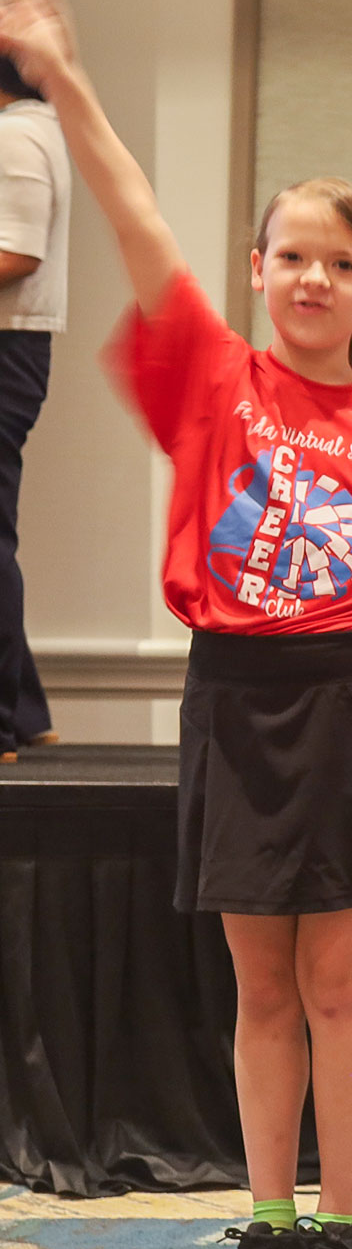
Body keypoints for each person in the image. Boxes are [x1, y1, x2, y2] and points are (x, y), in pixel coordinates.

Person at [0, 0, 352, 1249]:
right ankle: (271, 1223)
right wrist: (60, 72)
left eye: (338, 261)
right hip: (234, 698)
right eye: (288, 254)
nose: (309, 276)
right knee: (262, 985)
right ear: (256, 269)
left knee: (341, 981)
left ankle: (346, 1231)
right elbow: (124, 210)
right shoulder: (212, 379)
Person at [0, 50, 67, 758]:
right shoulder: (32, 127)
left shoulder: (16, 134)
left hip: (7, 348)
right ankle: (24, 712)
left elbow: (18, 252)